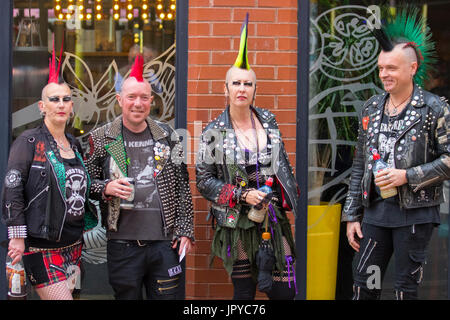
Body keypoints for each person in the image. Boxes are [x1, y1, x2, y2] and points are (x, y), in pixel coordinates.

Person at [343, 9, 450, 300]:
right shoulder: (372, 108)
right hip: (376, 214)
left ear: (412, 68)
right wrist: (352, 215)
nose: (383, 75)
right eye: (380, 68)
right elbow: (360, 163)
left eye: (391, 68)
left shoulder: (433, 108)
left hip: (415, 215)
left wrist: (407, 176)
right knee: (365, 284)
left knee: (405, 288)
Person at [195, 14, 299, 300]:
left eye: (248, 84)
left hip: (272, 217)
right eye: (236, 83)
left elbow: (282, 164)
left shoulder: (268, 120)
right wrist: (242, 196)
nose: (242, 89)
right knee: (244, 291)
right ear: (225, 88)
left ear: (255, 89)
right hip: (236, 221)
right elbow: (204, 181)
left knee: (285, 290)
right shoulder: (214, 131)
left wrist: (286, 195)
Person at [85, 54, 194, 300]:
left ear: (151, 101)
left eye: (144, 97)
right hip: (122, 244)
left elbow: (182, 186)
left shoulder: (167, 135)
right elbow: (85, 184)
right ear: (119, 100)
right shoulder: (102, 137)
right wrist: (107, 187)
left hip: (165, 244)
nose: (137, 103)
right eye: (131, 97)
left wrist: (185, 230)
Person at [1, 41, 90, 300]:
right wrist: (16, 236)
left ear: (72, 106)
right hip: (41, 247)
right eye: (54, 100)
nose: (61, 104)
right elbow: (12, 189)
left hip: (73, 245)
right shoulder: (29, 142)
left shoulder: (73, 143)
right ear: (42, 107)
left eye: (66, 99)